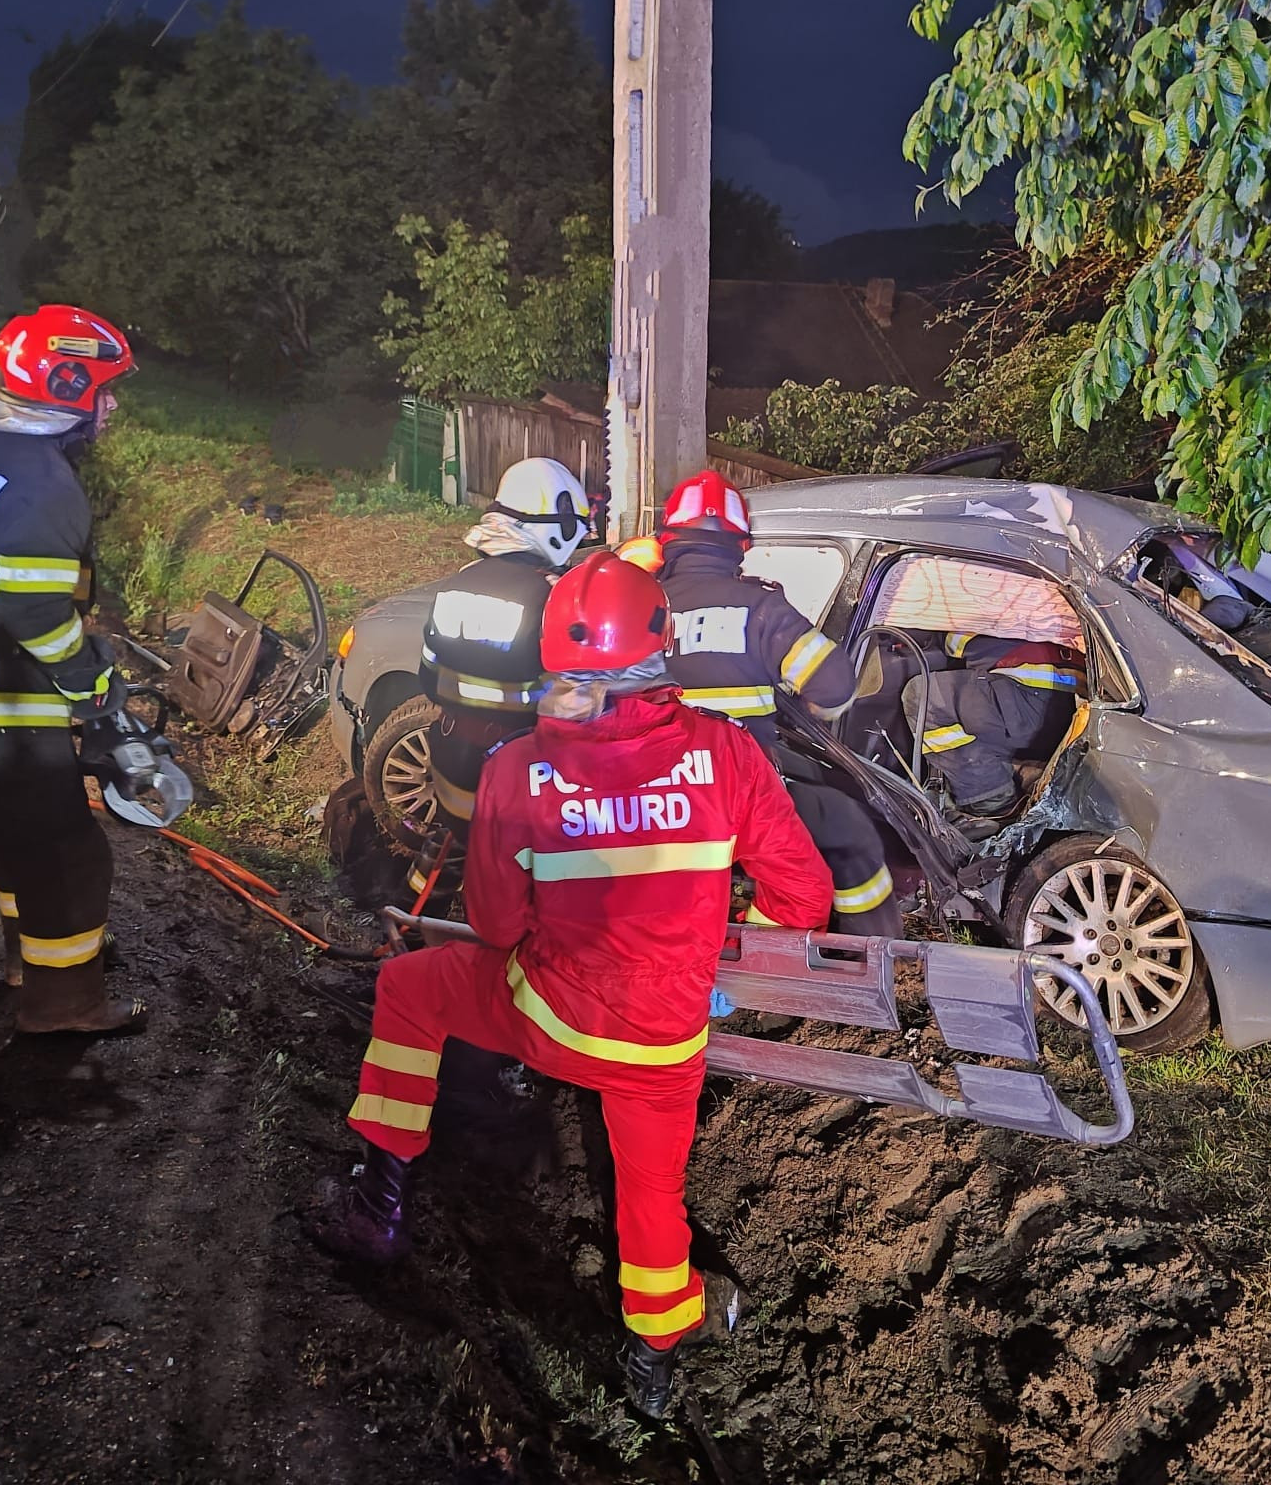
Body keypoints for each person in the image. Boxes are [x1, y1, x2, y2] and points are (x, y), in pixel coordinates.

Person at [307, 551, 833, 1417]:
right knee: (652, 1200)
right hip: (666, 1042)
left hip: (549, 1018)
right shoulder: (728, 755)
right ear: (662, 651)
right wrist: (716, 968)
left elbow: (499, 927)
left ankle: (379, 1208)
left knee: (409, 989)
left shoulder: (518, 768)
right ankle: (654, 1369)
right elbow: (804, 897)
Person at [0, 304, 145, 1033]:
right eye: (103, 390)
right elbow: (39, 618)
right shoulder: (44, 485)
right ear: (64, 383)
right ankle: (65, 1005)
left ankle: (30, 963)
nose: (110, 406)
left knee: (15, 835)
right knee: (69, 852)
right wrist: (96, 686)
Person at [655, 469, 902, 937]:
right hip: (738, 798)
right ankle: (867, 955)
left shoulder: (639, 605)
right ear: (741, 547)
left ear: (668, 540)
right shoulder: (760, 608)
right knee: (846, 826)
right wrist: (813, 707)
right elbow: (835, 687)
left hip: (654, 798)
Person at [405, 456, 591, 899]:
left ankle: (410, 934)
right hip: (516, 776)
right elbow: (573, 698)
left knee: (450, 849)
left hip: (451, 759)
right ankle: (493, 954)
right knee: (513, 882)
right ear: (554, 523)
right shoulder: (551, 596)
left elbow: (428, 678)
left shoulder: (453, 585)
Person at [903, 631, 1086, 818]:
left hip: (1028, 698)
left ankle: (992, 799)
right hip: (1072, 710)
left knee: (923, 696)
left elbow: (958, 641)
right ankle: (1023, 770)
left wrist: (928, 632)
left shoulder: (976, 607)